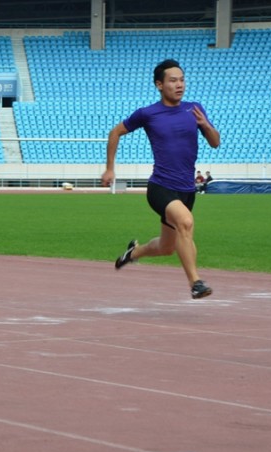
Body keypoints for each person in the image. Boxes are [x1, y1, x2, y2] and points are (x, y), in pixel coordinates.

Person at [101, 59, 221, 299]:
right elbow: (115, 132)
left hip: (187, 189)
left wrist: (206, 126)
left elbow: (215, 142)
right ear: (159, 84)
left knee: (167, 247)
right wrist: (110, 168)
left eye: (182, 79)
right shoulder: (148, 113)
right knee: (185, 223)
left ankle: (134, 253)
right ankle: (195, 282)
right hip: (161, 187)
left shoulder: (194, 108)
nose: (179, 85)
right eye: (173, 80)